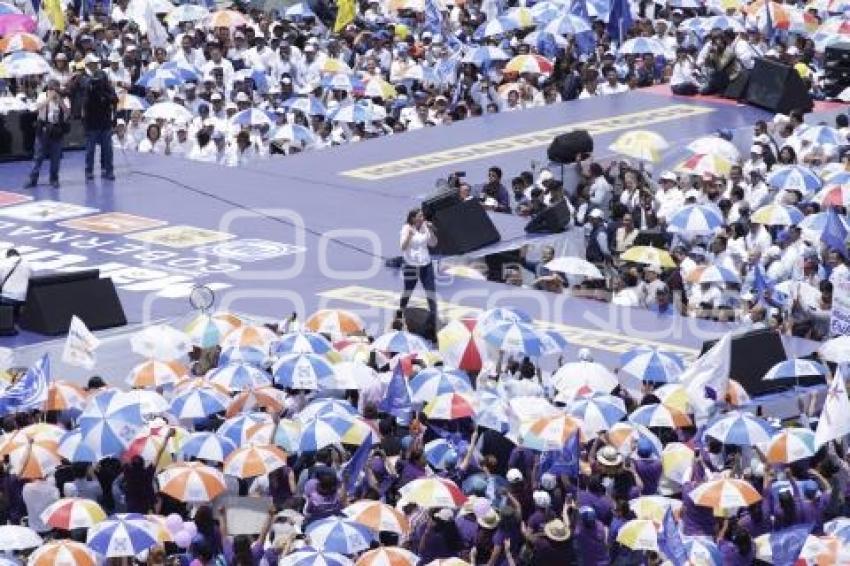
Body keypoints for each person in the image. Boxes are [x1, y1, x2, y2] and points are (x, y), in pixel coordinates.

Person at [399, 208, 438, 340]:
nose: (422, 218)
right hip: (411, 266)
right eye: (420, 216)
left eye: (422, 216)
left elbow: (433, 243)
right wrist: (409, 236)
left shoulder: (425, 227)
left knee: (431, 293)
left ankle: (433, 325)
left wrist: (431, 230)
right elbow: (403, 247)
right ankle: (400, 315)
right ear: (413, 218)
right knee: (408, 291)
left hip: (426, 265)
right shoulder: (406, 228)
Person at [24, 79, 69, 189]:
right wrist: (48, 99)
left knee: (56, 157)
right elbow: (36, 108)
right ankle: (33, 179)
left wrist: (59, 100)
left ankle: (54, 179)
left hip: (56, 129)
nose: (52, 91)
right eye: (50, 89)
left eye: (54, 89)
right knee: (38, 156)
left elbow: (67, 112)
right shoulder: (42, 96)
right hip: (43, 128)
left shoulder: (63, 98)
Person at [83, 70, 118, 181]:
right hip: (92, 123)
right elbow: (86, 103)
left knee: (107, 149)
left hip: (105, 123)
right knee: (90, 150)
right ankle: (89, 171)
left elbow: (115, 100)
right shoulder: (90, 89)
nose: (99, 83)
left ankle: (108, 170)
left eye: (101, 80)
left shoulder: (108, 88)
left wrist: (104, 95)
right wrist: (93, 89)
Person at [0, 249, 31, 324]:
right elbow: (31, 279)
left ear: (7, 256)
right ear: (18, 255)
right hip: (24, 299)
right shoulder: (28, 264)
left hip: (7, 299)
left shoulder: (3, 264)